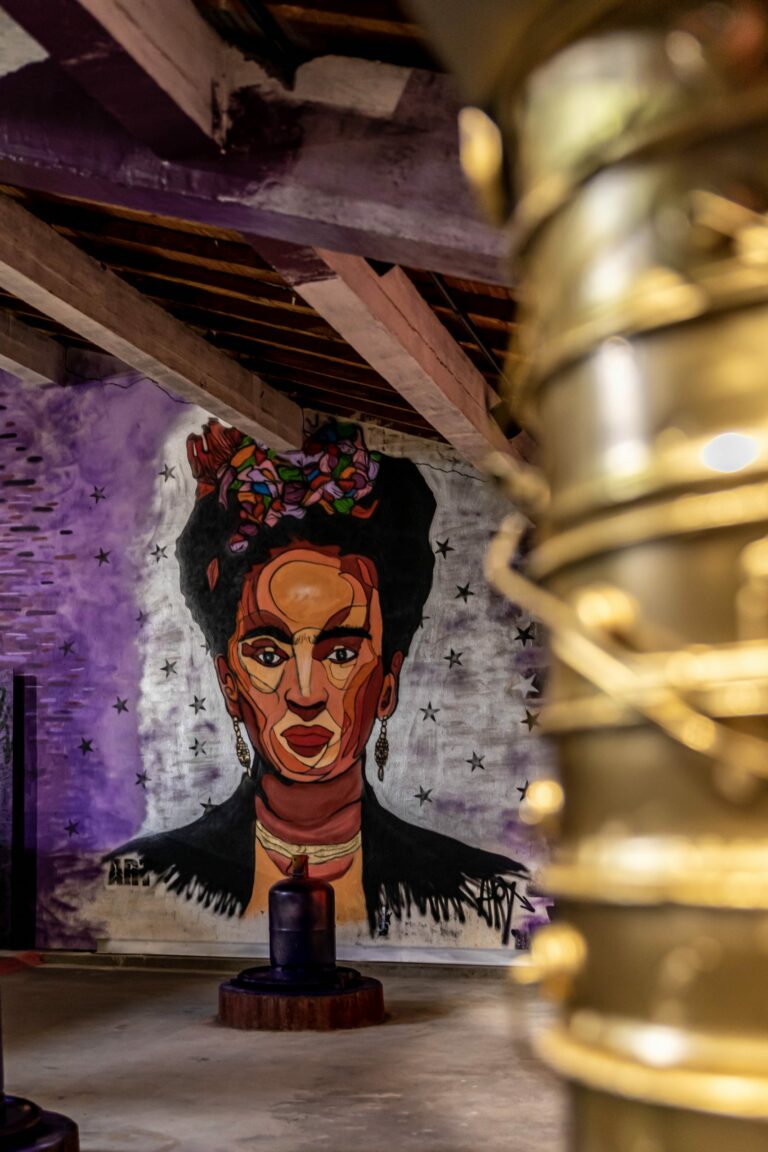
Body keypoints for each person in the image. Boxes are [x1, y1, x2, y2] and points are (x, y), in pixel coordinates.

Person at [107, 420, 528, 943]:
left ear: (388, 682)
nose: (304, 694)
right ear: (230, 684)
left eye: (342, 653)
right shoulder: (150, 875)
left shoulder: (476, 891)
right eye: (268, 654)